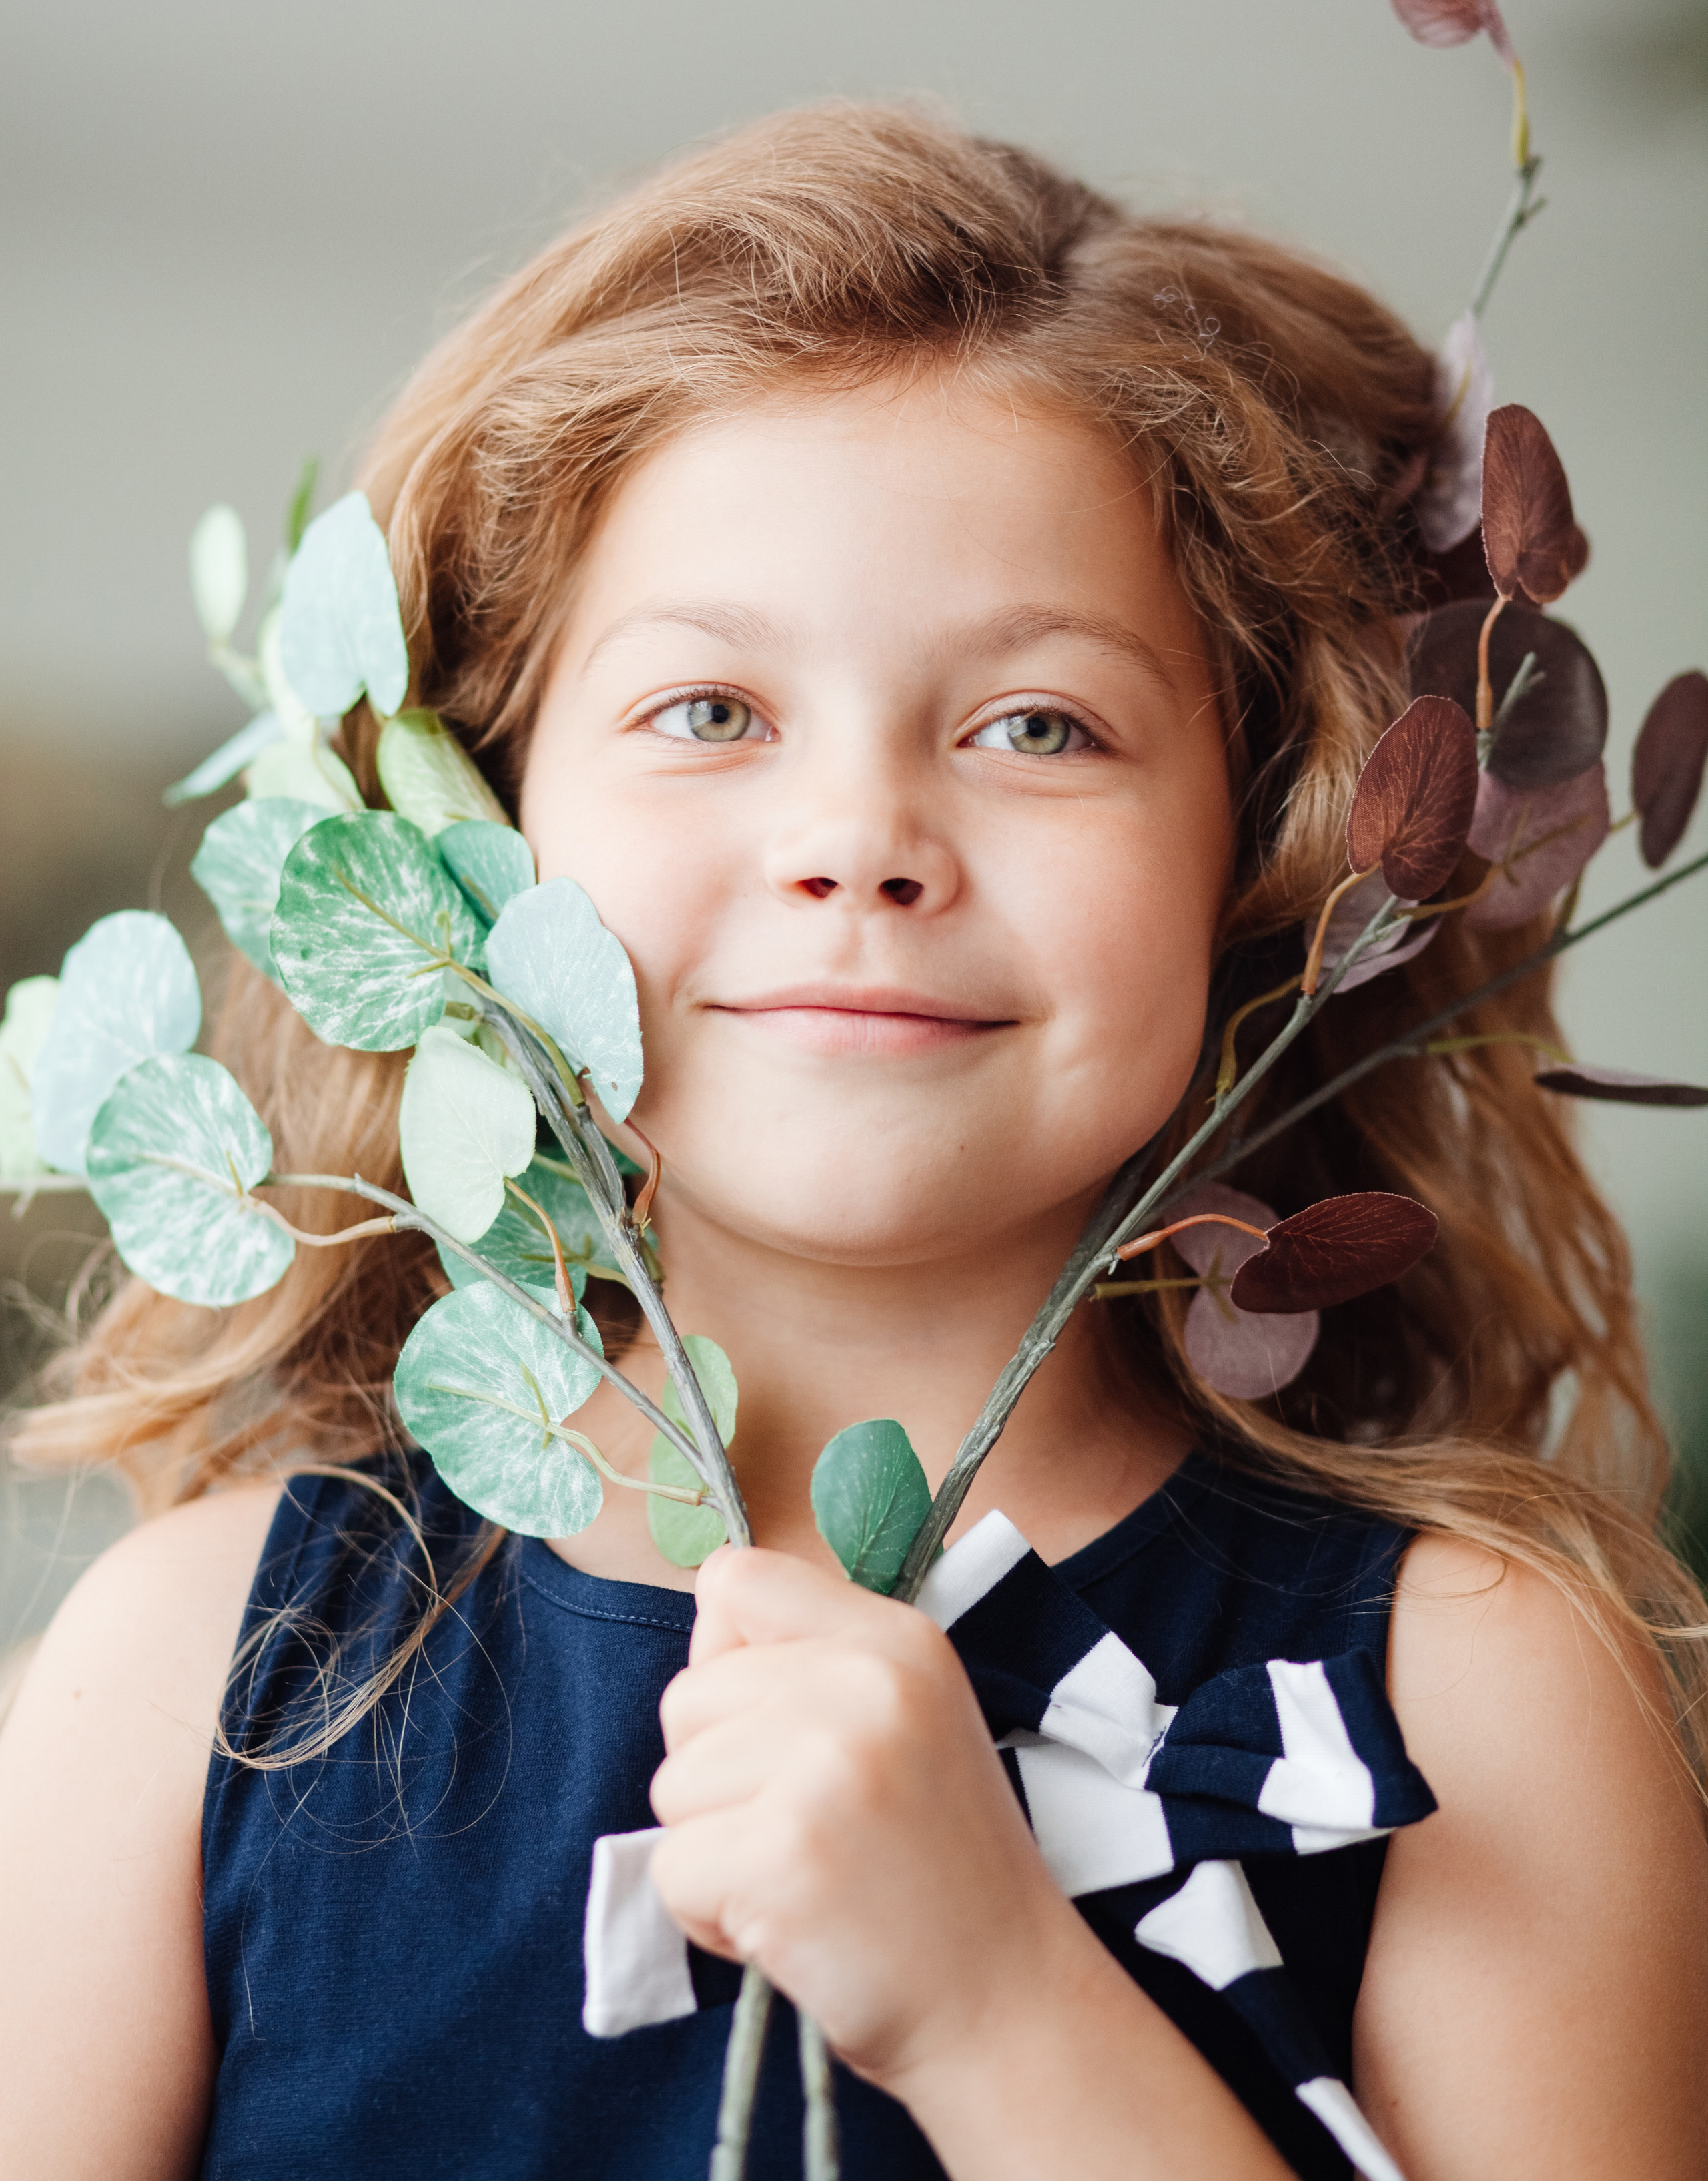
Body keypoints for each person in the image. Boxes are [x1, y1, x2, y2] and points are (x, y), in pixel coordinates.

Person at [1, 105, 1704, 2181]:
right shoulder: (200, 1671)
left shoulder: (1482, 1699)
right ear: (474, 811)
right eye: (710, 709)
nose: (861, 845)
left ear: (1261, 861)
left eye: (1038, 725)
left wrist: (999, 2007)